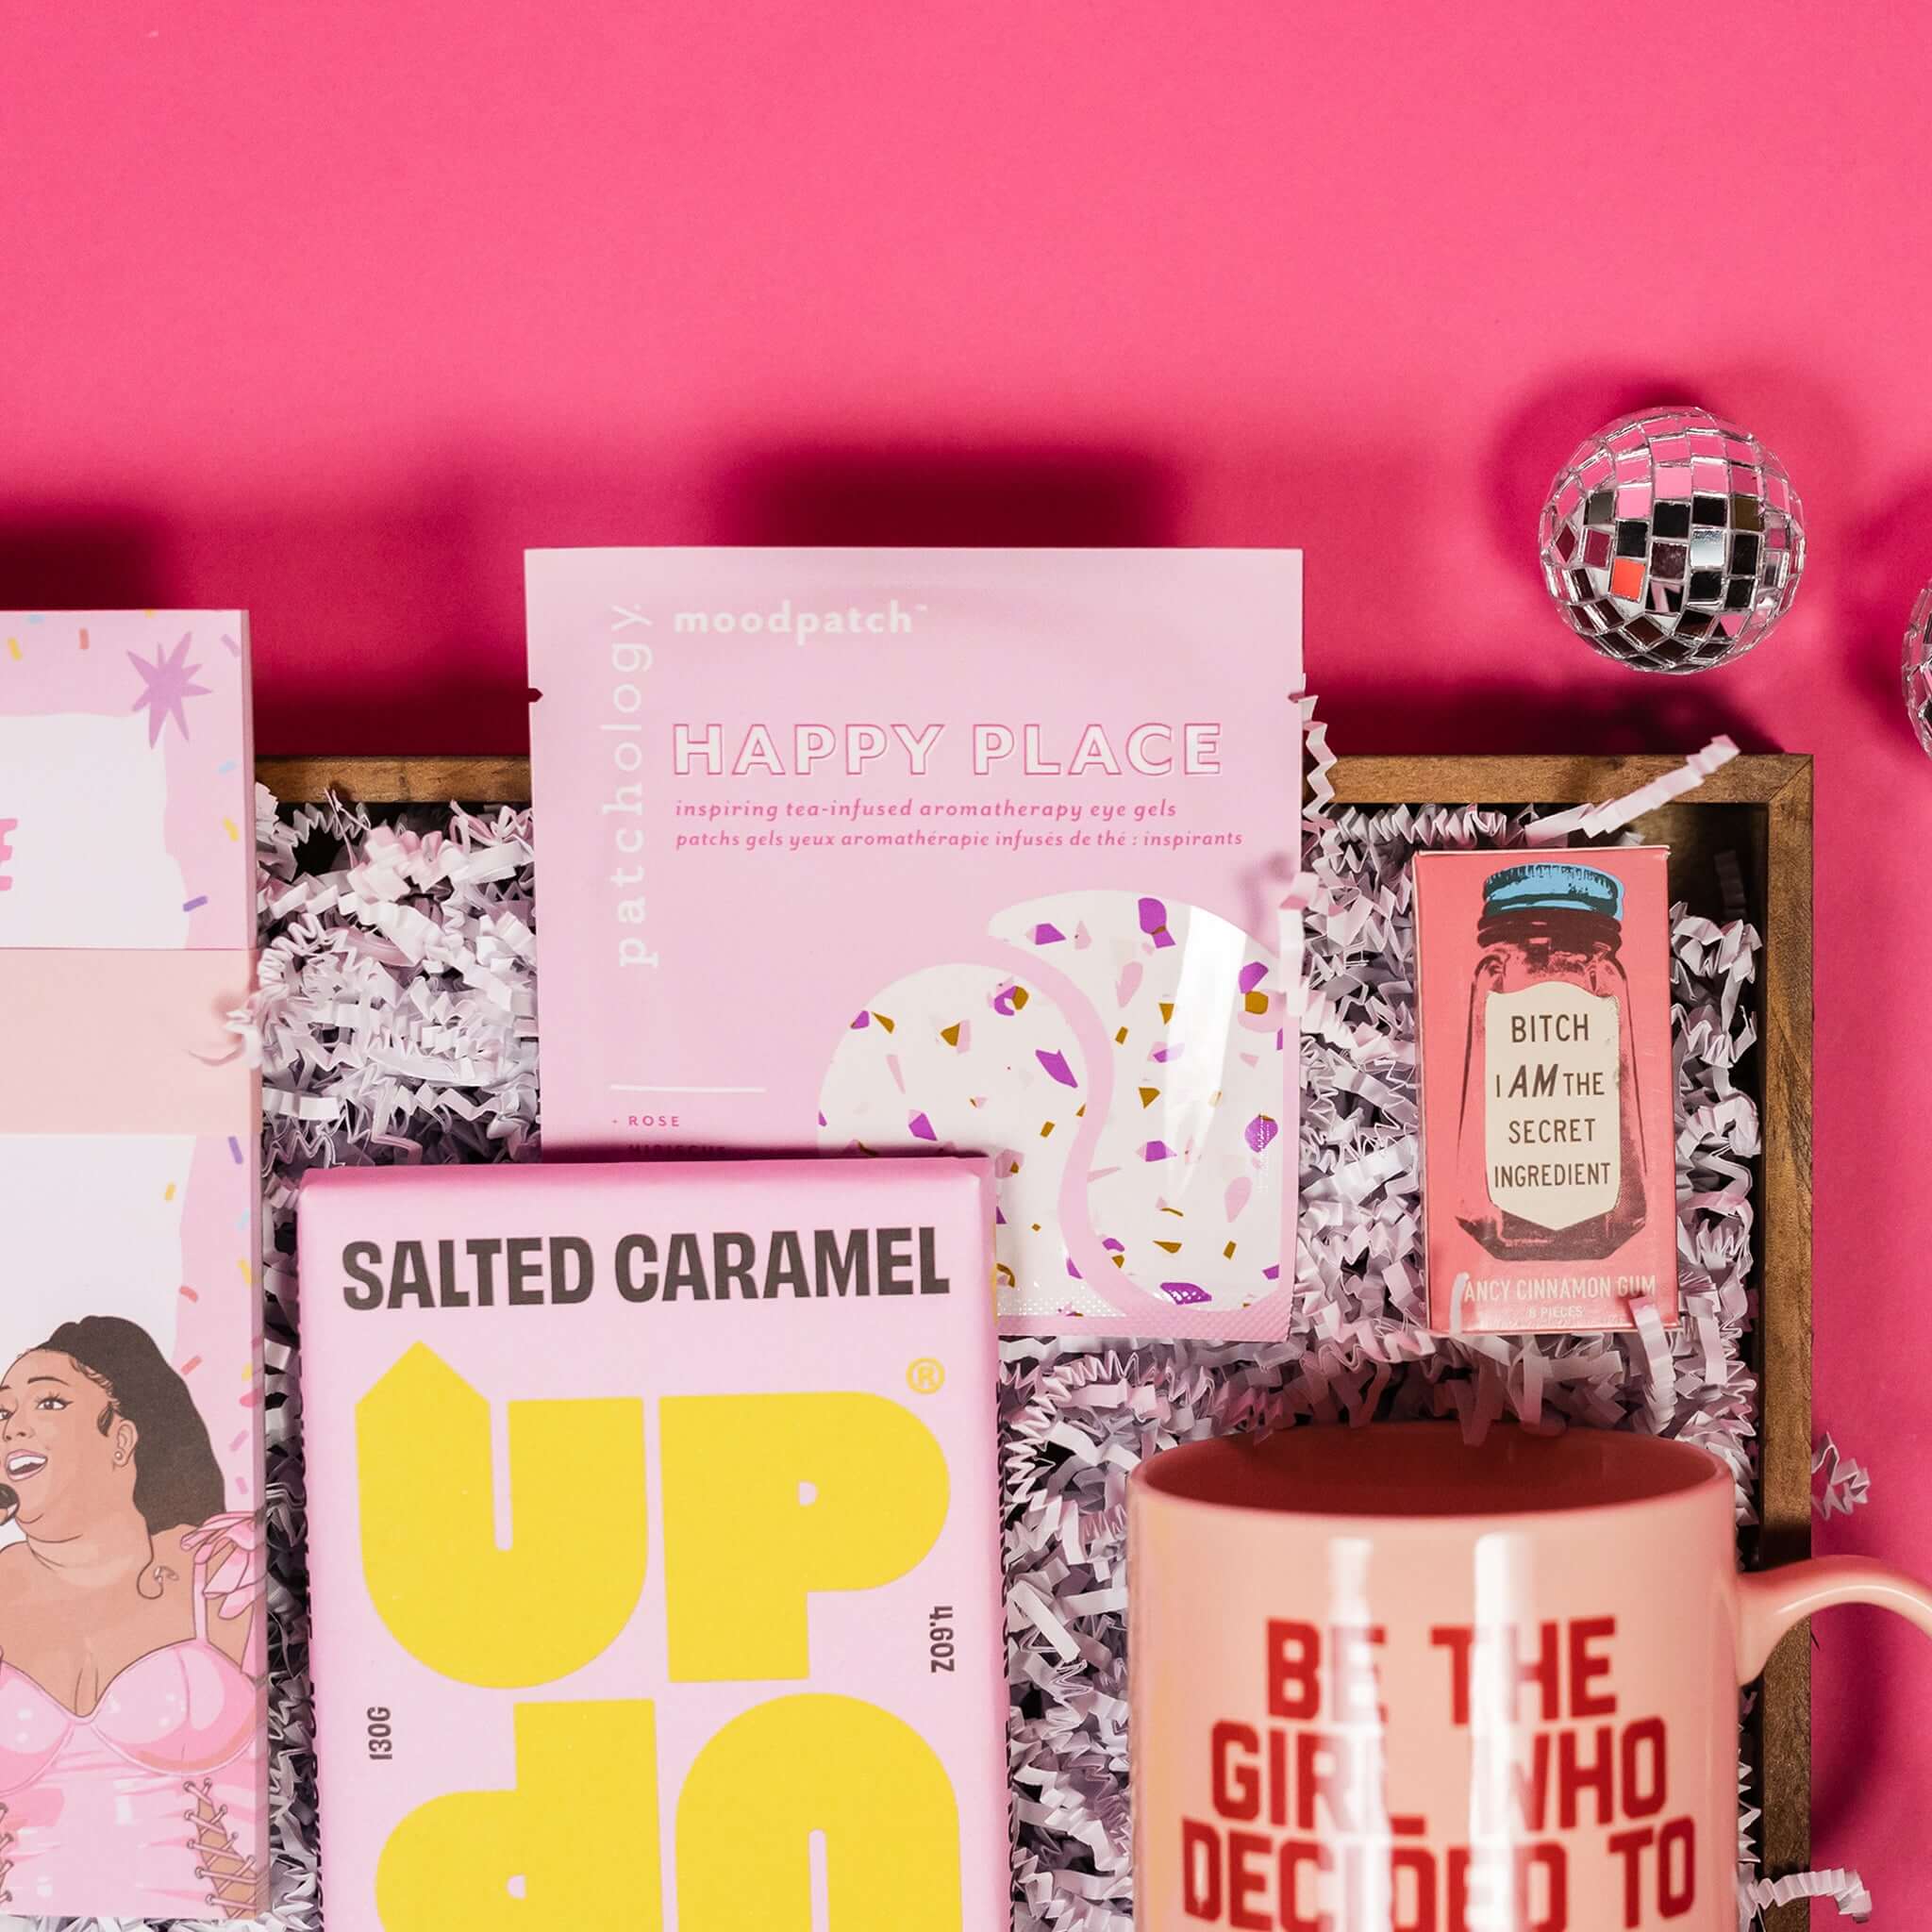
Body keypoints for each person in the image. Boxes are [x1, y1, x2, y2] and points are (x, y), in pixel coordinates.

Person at [0, 1315, 262, 1918]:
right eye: (3, 1413)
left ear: (121, 1438)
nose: (14, 1427)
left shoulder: (222, 1567)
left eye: (48, 1401)